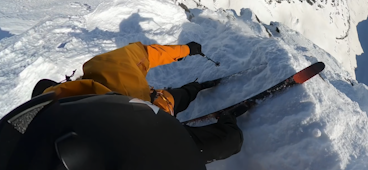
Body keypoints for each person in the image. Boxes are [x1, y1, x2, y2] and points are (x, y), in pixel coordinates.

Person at [0, 41, 248, 170]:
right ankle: (211, 105)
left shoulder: (39, 137)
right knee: (183, 102)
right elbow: (147, 53)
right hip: (153, 120)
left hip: (153, 122)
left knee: (223, 137)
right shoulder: (107, 68)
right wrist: (187, 49)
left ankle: (207, 103)